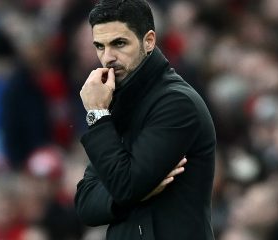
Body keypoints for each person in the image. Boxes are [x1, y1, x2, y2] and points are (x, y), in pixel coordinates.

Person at [74, 0, 216, 239]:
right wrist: (131, 195)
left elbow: (125, 185)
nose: (107, 57)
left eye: (119, 43)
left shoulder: (176, 104)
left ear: (149, 40)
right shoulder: (118, 100)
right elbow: (85, 204)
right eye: (99, 46)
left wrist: (97, 114)